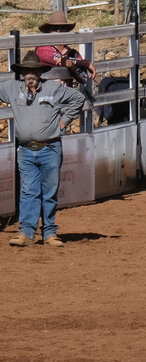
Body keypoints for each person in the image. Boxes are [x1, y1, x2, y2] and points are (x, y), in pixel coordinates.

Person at [0, 51, 86, 248]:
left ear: (40, 72)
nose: (30, 74)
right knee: (28, 191)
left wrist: (64, 121)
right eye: (26, 70)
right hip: (25, 150)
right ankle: (26, 233)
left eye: (34, 70)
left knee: (49, 192)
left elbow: (78, 98)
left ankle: (49, 233)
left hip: (50, 148)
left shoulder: (53, 88)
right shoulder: (12, 88)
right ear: (22, 73)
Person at [34, 11, 96, 90]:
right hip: (46, 92)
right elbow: (58, 60)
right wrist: (83, 63)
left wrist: (72, 66)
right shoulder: (42, 49)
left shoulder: (73, 53)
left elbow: (84, 78)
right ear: (49, 31)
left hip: (67, 93)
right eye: (54, 29)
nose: (59, 31)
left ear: (67, 31)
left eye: (62, 28)